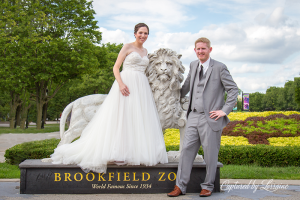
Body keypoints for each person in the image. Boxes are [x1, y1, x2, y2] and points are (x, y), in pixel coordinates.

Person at [51, 23, 168, 173]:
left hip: (141, 87)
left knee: (136, 119)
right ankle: (116, 153)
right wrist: (120, 84)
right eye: (140, 33)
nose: (143, 36)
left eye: (146, 33)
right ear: (135, 33)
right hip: (126, 84)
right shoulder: (127, 47)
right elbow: (115, 67)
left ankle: (132, 153)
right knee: (121, 119)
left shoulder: (146, 51)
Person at [167, 37, 238, 197]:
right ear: (195, 50)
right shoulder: (193, 65)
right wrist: (171, 92)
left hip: (211, 118)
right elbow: (186, 86)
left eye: (203, 49)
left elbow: (233, 89)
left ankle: (208, 186)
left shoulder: (220, 67)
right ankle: (180, 186)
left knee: (210, 153)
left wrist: (224, 110)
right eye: (198, 49)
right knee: (186, 151)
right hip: (193, 116)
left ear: (209, 50)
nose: (200, 51)